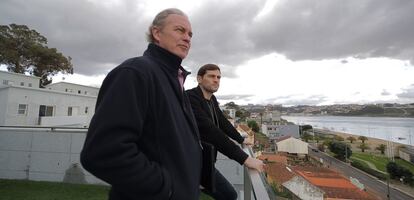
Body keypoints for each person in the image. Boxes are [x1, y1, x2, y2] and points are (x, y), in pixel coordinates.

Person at [80, 8, 202, 200]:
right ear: (156, 33)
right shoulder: (135, 73)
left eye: (190, 34)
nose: (187, 38)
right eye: (180, 30)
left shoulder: (175, 78)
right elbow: (103, 152)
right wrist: (166, 187)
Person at [186, 64, 265, 200]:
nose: (216, 80)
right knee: (229, 195)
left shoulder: (211, 99)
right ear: (199, 79)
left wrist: (240, 139)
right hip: (191, 163)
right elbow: (211, 132)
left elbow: (222, 122)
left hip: (204, 162)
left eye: (218, 77)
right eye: (211, 76)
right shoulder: (190, 99)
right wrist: (245, 159)